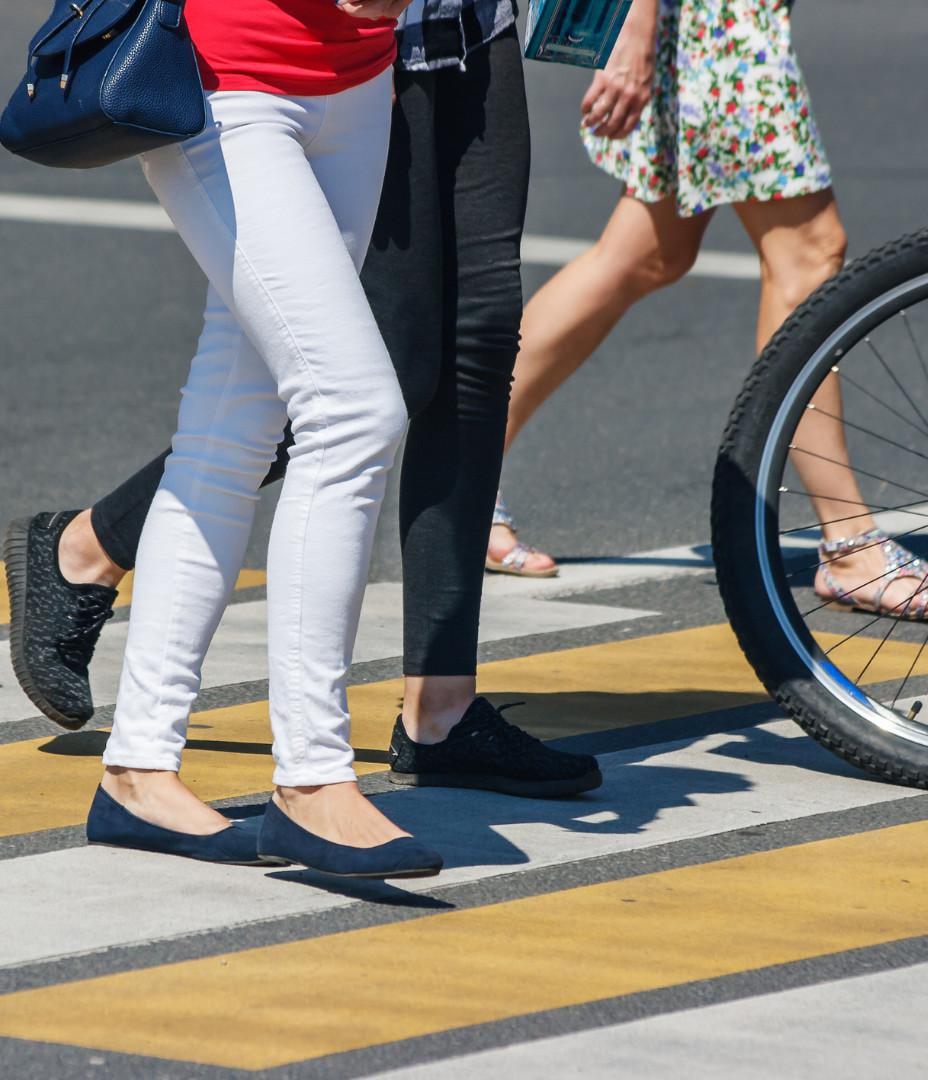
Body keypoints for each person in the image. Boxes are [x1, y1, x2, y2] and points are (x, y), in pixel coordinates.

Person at [7, 0, 601, 873]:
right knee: (353, 409)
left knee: (231, 423)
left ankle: (138, 768)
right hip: (229, 79)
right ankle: (313, 782)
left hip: (357, 81)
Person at [485, 0, 928, 620]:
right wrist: (635, 27)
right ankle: (850, 544)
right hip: (717, 21)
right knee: (809, 253)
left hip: (709, 23)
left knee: (647, 252)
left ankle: (464, 481)